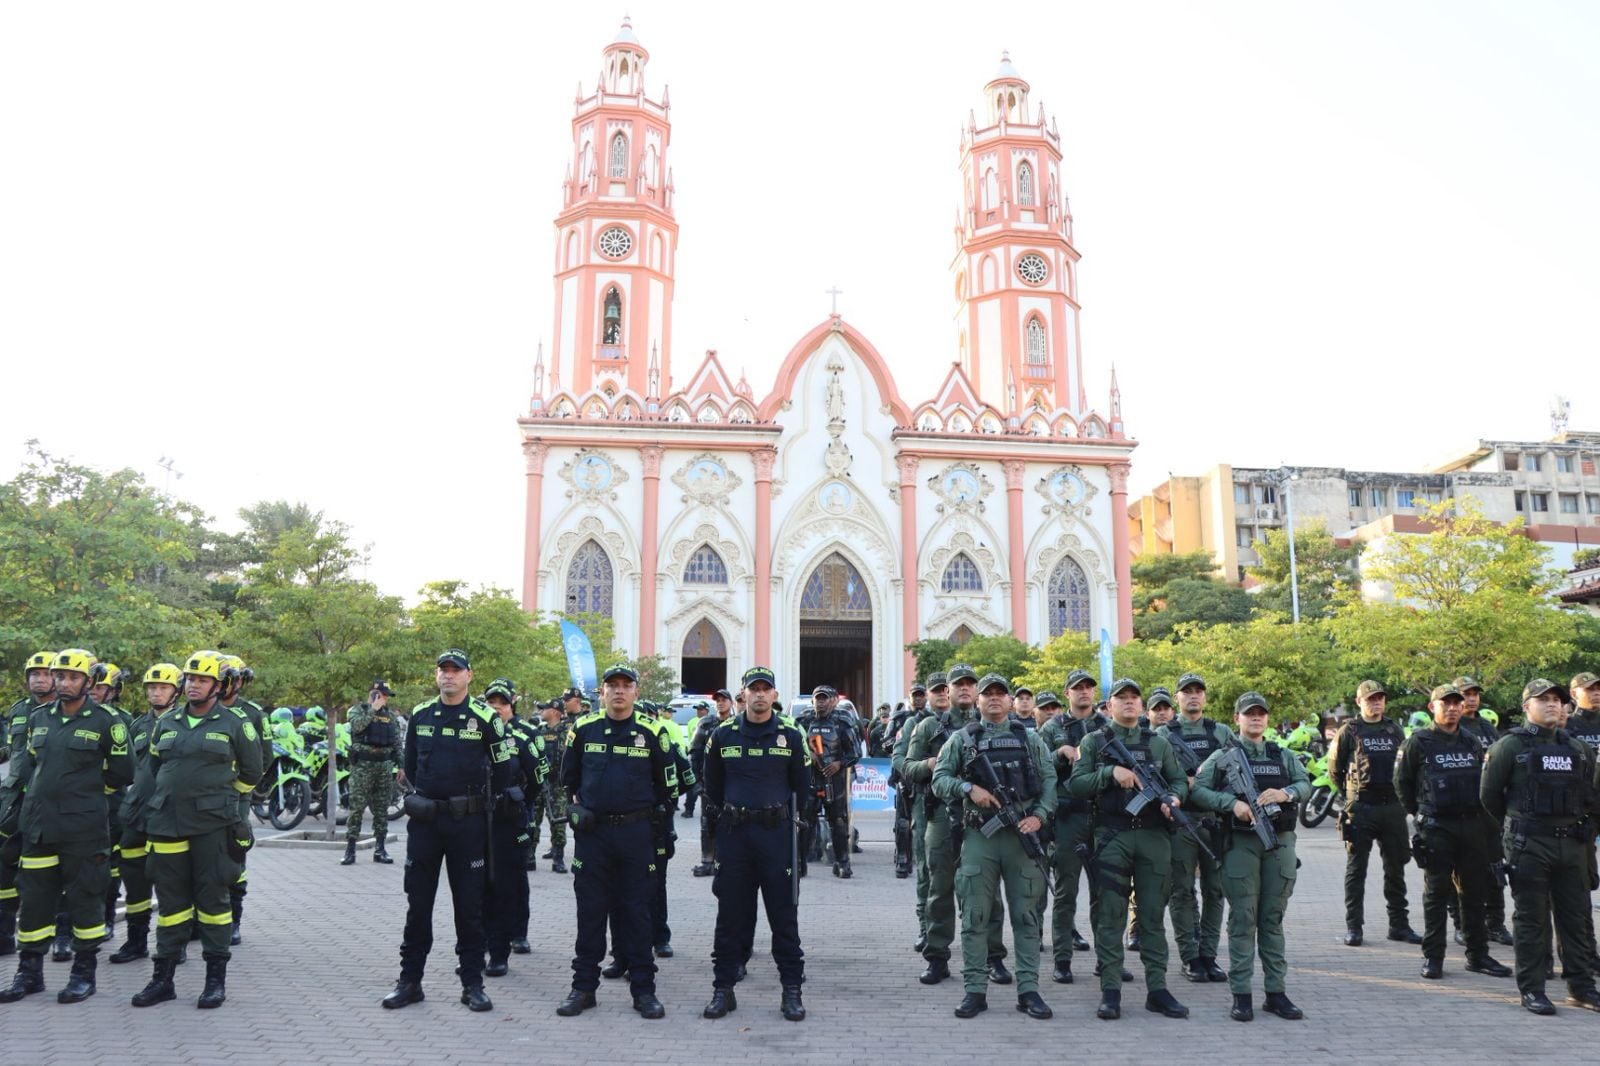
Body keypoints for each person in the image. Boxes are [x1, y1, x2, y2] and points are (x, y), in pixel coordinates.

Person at [128, 650, 261, 1009]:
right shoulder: (167, 722)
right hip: (167, 824)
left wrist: (221, 799)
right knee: (171, 904)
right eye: (190, 679)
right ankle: (163, 980)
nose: (193, 685)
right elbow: (156, 767)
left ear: (219, 685)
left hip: (212, 826)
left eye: (202, 680)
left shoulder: (236, 723)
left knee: (214, 902)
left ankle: (214, 981)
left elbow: (251, 772)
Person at [381, 649, 512, 1013]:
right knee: (417, 904)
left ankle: (472, 984)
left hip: (466, 823)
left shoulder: (486, 718)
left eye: (456, 670)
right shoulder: (422, 714)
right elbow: (410, 764)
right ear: (436, 675)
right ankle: (410, 982)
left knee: (468, 907)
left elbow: (503, 770)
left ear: (470, 676)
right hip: (426, 822)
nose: (448, 676)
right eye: (443, 670)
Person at [0, 649, 133, 1005]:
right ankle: (29, 974)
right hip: (39, 826)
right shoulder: (39, 717)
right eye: (59, 676)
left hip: (84, 828)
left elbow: (122, 772)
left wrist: (84, 793)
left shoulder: (108, 721)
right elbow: (31, 762)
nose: (63, 683)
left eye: (72, 677)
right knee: (34, 900)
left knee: (85, 899)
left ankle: (82, 975)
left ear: (89, 682)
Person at [555, 665, 677, 1020]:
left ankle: (643, 990)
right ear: (602, 692)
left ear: (636, 692)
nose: (619, 691)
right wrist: (577, 808)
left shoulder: (653, 732)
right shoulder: (583, 729)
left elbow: (668, 785)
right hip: (594, 836)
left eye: (626, 685)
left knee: (637, 913)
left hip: (637, 836)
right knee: (590, 912)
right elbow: (569, 778)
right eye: (612, 686)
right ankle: (583, 988)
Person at [933, 674, 1056, 1019]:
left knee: (1026, 916)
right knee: (975, 915)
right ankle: (975, 990)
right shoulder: (962, 740)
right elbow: (939, 780)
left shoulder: (1029, 738)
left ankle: (1028, 990)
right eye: (988, 694)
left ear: (1011, 700)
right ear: (978, 700)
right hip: (980, 838)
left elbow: (1049, 782)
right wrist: (967, 789)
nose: (995, 699)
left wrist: (1040, 816)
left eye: (1001, 693)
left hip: (1023, 836)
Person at [1068, 677, 1190, 1021]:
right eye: (1122, 698)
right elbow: (1076, 784)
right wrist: (1110, 773)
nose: (1129, 703)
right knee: (1110, 916)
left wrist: (1175, 797)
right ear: (1109, 705)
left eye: (1135, 697)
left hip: (1154, 836)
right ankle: (1110, 990)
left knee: (1152, 915)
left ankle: (1158, 989)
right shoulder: (1094, 742)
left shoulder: (1158, 743)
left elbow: (1178, 779)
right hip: (1112, 836)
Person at [1480, 678, 1600, 1015]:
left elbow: (1592, 796)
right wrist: (1519, 825)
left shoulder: (1579, 749)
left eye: (1557, 700)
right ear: (1526, 706)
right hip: (1529, 845)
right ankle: (1532, 989)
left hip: (1573, 845)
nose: (1552, 704)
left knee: (1576, 918)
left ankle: (1581, 988)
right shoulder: (1509, 747)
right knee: (1531, 921)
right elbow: (1489, 797)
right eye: (1543, 699)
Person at [1187, 692, 1309, 1022]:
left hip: (1279, 843)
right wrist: (1232, 805)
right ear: (1237, 719)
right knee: (1243, 917)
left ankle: (1276, 993)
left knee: (1272, 918)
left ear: (1267, 719)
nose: (1255, 718)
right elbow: (1196, 790)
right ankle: (1241, 994)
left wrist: (1287, 793)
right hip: (1240, 844)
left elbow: (1305, 783)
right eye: (1249, 714)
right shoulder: (1222, 756)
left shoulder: (1281, 755)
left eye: (1261, 713)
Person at [700, 665, 809, 1022]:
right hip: (735, 836)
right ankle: (723, 990)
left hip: (776, 837)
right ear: (743, 694)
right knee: (729, 917)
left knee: (784, 917)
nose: (760, 694)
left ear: (774, 695)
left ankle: (791, 991)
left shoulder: (791, 734)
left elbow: (802, 788)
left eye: (766, 689)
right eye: (754, 688)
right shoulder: (723, 734)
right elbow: (711, 786)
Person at [1393, 683, 1512, 981]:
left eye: (1456, 703)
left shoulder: (1471, 741)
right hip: (1437, 827)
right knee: (1436, 894)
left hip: (1472, 826)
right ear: (1432, 707)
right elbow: (1402, 784)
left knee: (1474, 893)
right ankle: (1434, 958)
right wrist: (1419, 814)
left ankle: (1478, 955)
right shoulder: (1417, 742)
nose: (1452, 707)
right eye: (1445, 703)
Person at [907, 664, 1009, 985]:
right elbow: (907, 767)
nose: (964, 689)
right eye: (958, 684)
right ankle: (937, 957)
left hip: (983, 819)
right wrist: (930, 764)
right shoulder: (927, 727)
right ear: (946, 691)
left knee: (988, 892)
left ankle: (993, 957)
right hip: (940, 814)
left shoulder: (992, 725)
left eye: (970, 684)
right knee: (940, 889)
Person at [1156, 672, 1233, 984]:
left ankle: (1210, 955)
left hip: (1215, 822)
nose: (1193, 696)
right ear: (1177, 698)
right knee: (1182, 892)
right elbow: (1154, 775)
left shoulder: (1221, 731)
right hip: (1180, 824)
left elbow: (1235, 774)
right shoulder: (1162, 733)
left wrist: (1203, 786)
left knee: (1215, 892)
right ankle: (1190, 957)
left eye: (1198, 691)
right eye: (1186, 691)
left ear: (1205, 697)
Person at [1329, 680, 1418, 947]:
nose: (1375, 702)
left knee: (1396, 868)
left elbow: (1405, 769)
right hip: (1361, 809)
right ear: (1359, 702)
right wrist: (1353, 796)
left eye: (1379, 698)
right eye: (1370, 699)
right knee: (1357, 870)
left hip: (1392, 808)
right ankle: (1354, 927)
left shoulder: (1394, 729)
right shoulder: (1349, 731)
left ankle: (1399, 926)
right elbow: (1335, 771)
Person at [106, 663, 181, 966]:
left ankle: (174, 944)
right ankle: (136, 942)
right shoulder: (137, 726)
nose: (155, 692)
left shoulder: (185, 723)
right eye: (151, 687)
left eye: (162, 687)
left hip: (171, 816)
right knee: (134, 881)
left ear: (176, 691)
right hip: (137, 814)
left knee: (171, 884)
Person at [1036, 668, 1106, 984]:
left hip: (1104, 817)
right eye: (1077, 688)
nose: (1084, 692)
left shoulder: (1106, 726)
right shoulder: (1052, 727)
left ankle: (1108, 959)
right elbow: (1035, 768)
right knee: (1066, 892)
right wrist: (1059, 753)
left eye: (1089, 687)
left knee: (1107, 894)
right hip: (1068, 818)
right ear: (1067, 693)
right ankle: (1062, 959)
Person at [482, 678, 542, 977]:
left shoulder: (524, 736)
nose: (496, 708)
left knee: (512, 882)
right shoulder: (474, 733)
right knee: (477, 886)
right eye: (491, 703)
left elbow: (537, 779)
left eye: (501, 704)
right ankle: (476, 945)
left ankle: (513, 936)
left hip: (511, 819)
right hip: (477, 820)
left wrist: (518, 804)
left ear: (511, 706)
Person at [0, 652, 57, 957]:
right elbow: (13, 751)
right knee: (3, 864)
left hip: (47, 801)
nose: (39, 678)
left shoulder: (61, 713)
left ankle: (57, 936)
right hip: (13, 797)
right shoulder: (17, 711)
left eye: (45, 673)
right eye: (33, 674)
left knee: (45, 869)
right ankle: (4, 932)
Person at [1452, 675, 1513, 946]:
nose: (1472, 697)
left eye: (1475, 693)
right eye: (1466, 693)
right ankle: (1461, 924)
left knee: (1494, 868)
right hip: (1459, 809)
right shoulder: (1453, 727)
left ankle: (1495, 924)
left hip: (1489, 811)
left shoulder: (1488, 727)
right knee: (1460, 873)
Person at [893, 675, 939, 950]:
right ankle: (927, 926)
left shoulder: (970, 722)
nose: (943, 694)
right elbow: (900, 759)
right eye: (936, 690)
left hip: (964, 805)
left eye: (947, 688)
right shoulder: (914, 724)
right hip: (927, 803)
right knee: (927, 869)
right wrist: (926, 766)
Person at [796, 685, 860, 878]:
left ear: (834, 701)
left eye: (825, 698)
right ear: (813, 701)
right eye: (818, 698)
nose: (821, 702)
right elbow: (792, 749)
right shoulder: (803, 721)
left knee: (838, 822)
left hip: (835, 781)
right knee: (805, 822)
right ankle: (800, 863)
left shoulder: (843, 721)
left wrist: (839, 764)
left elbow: (855, 753)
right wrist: (808, 756)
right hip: (810, 779)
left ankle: (842, 863)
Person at [343, 680, 402, 866]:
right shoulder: (358, 711)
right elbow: (358, 726)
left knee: (381, 809)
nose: (385, 699)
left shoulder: (390, 717)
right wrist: (373, 709)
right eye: (383, 695)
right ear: (374, 694)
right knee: (357, 809)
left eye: (386, 696)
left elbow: (396, 743)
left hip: (383, 767)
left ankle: (380, 848)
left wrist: (401, 765)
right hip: (362, 766)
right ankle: (350, 849)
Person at [690, 690, 735, 876]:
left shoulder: (738, 724)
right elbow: (695, 754)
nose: (720, 703)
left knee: (731, 822)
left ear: (731, 703)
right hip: (709, 783)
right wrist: (697, 782)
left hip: (733, 784)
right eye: (717, 700)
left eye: (724, 700)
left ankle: (727, 861)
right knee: (707, 822)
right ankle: (707, 861)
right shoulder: (705, 723)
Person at [529, 700, 569, 873]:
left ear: (555, 712)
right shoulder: (538, 732)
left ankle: (558, 858)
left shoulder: (568, 732)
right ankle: (530, 856)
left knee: (558, 823)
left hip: (558, 786)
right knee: (533, 821)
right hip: (540, 783)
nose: (541, 712)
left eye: (544, 709)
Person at [681, 700, 712, 817]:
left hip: (708, 756)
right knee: (692, 784)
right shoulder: (691, 722)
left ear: (707, 710)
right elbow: (691, 739)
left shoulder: (713, 722)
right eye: (697, 709)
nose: (699, 711)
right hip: (695, 756)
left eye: (701, 709)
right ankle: (689, 809)